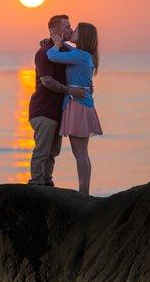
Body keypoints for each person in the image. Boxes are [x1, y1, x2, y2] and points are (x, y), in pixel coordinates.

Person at [27, 15, 86, 187]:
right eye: (67, 27)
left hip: (58, 112)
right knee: (42, 151)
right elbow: (47, 81)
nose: (70, 30)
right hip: (43, 111)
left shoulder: (66, 51)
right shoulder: (44, 53)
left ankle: (47, 181)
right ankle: (36, 184)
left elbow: (83, 56)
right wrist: (70, 90)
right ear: (55, 30)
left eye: (70, 26)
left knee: (53, 151)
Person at [47, 22, 103, 195]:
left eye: (76, 30)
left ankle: (83, 193)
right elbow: (69, 50)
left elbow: (51, 55)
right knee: (82, 153)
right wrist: (58, 42)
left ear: (83, 36)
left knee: (79, 153)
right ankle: (84, 190)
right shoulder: (85, 55)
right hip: (83, 104)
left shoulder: (79, 55)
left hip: (78, 105)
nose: (72, 31)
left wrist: (55, 45)